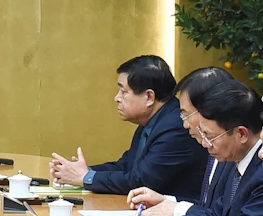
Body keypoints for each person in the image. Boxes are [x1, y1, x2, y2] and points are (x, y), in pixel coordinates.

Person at [125, 78, 263, 216]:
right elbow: (214, 215)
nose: (205, 144)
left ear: (241, 134)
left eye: (211, 136)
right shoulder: (235, 159)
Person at [50, 55, 209, 201]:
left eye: (123, 91)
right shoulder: (153, 120)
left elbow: (141, 181)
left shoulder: (176, 127)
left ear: (149, 97)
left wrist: (86, 177)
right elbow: (126, 166)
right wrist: (82, 171)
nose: (116, 98)